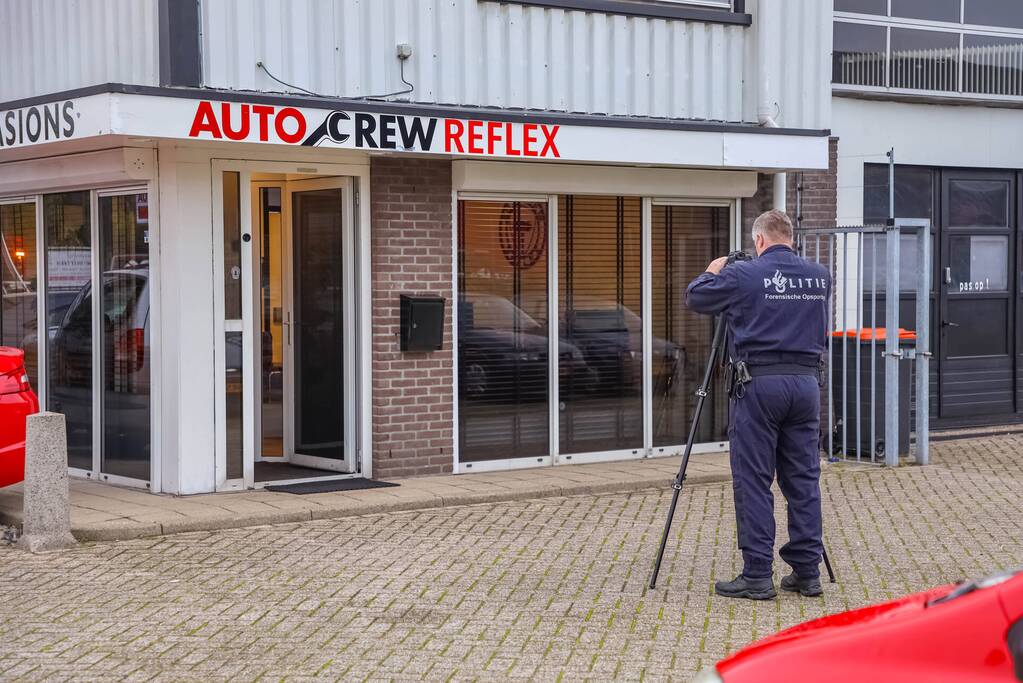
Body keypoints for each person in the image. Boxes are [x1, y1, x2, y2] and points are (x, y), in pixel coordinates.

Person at [686, 209, 831, 600]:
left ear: (760, 240)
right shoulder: (820, 276)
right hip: (806, 385)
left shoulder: (744, 274)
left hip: (759, 387)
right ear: (790, 237)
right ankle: (807, 572)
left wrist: (715, 270)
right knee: (803, 479)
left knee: (753, 480)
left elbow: (696, 297)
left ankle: (756, 576)